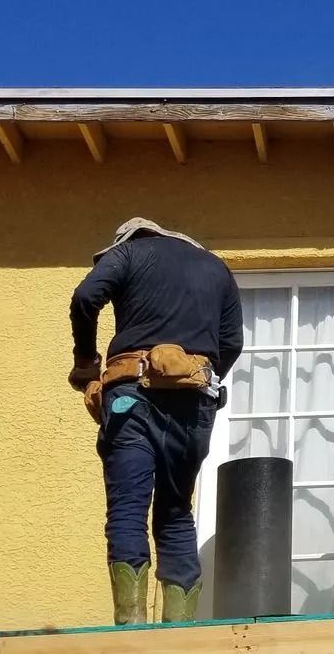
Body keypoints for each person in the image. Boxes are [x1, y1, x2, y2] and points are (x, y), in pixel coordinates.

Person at [69, 218, 243, 625]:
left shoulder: (128, 253)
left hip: (133, 398)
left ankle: (131, 626)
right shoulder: (216, 268)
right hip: (195, 403)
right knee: (176, 510)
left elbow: (85, 297)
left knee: (129, 508)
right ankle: (178, 630)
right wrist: (195, 378)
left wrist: (85, 361)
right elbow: (232, 343)